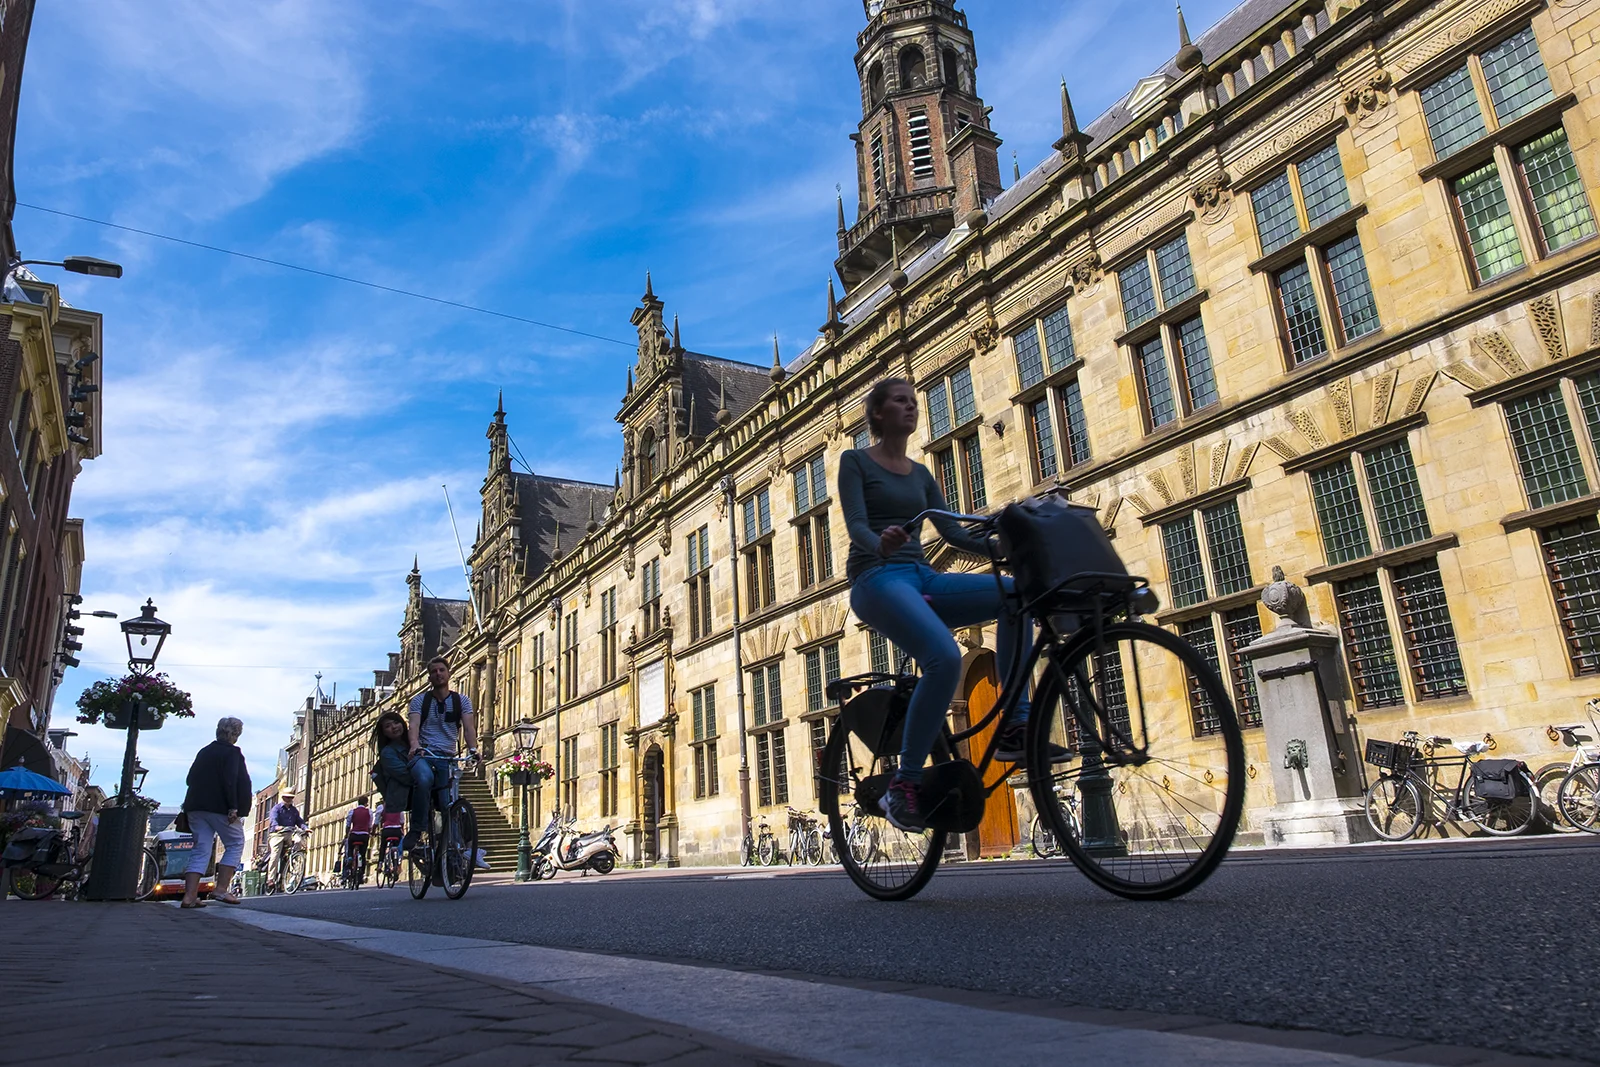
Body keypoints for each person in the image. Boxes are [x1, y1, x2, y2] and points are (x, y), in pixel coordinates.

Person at [838, 378, 1069, 834]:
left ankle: (1016, 723)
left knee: (1015, 595)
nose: (911, 407)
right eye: (900, 401)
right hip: (876, 577)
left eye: (913, 401)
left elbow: (954, 533)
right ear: (878, 414)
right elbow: (856, 525)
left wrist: (1006, 544)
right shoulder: (855, 461)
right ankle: (904, 783)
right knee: (944, 657)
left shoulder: (921, 475)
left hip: (922, 577)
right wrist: (879, 543)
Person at [405, 657, 479, 850]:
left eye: (441, 670)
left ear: (448, 673)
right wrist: (414, 745)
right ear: (429, 677)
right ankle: (417, 829)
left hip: (447, 757)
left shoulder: (461, 701)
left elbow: (469, 728)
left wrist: (473, 749)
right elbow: (413, 726)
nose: (438, 674)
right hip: (424, 754)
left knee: (447, 804)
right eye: (434, 671)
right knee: (424, 779)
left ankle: (452, 849)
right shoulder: (419, 701)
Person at [178, 717, 252, 908]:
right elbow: (231, 779)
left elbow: (190, 779)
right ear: (234, 734)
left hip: (195, 807)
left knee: (200, 849)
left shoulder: (204, 751)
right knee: (235, 842)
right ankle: (221, 889)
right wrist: (233, 806)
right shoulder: (232, 752)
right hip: (220, 808)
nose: (237, 738)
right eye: (237, 735)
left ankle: (189, 896)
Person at [265, 790, 307, 890]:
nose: (289, 799)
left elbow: (299, 821)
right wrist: (277, 826)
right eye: (287, 797)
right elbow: (273, 819)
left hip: (290, 833)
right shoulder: (277, 808)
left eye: (291, 798)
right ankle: (271, 879)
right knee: (275, 853)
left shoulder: (294, 810)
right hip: (277, 834)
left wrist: (305, 828)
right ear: (283, 797)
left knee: (299, 840)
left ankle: (294, 857)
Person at [343, 796, 373, 881]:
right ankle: (361, 875)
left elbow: (348, 825)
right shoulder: (369, 812)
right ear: (366, 803)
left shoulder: (352, 811)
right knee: (363, 855)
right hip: (364, 835)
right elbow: (370, 825)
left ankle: (350, 858)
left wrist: (347, 834)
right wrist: (369, 832)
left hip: (354, 834)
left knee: (350, 846)